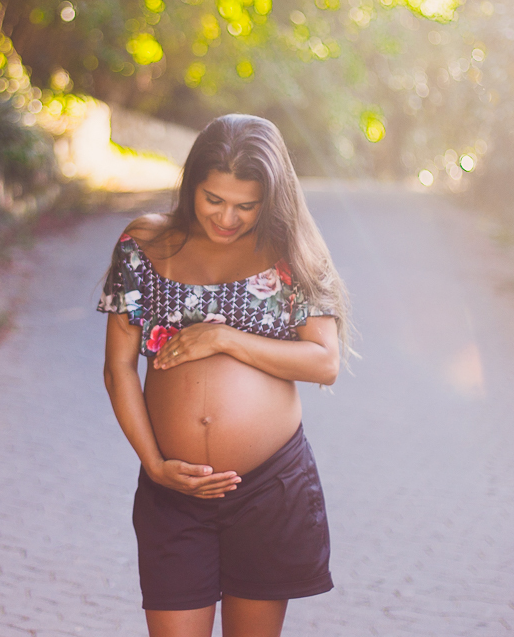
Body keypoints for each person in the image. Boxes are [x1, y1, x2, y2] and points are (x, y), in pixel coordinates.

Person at [97, 113, 352, 637]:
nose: (228, 218)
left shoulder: (292, 252)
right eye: (214, 199)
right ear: (192, 183)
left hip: (269, 488)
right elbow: (118, 367)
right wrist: (154, 465)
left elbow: (324, 362)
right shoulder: (143, 243)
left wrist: (224, 338)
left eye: (246, 206)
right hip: (174, 490)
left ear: (270, 198)